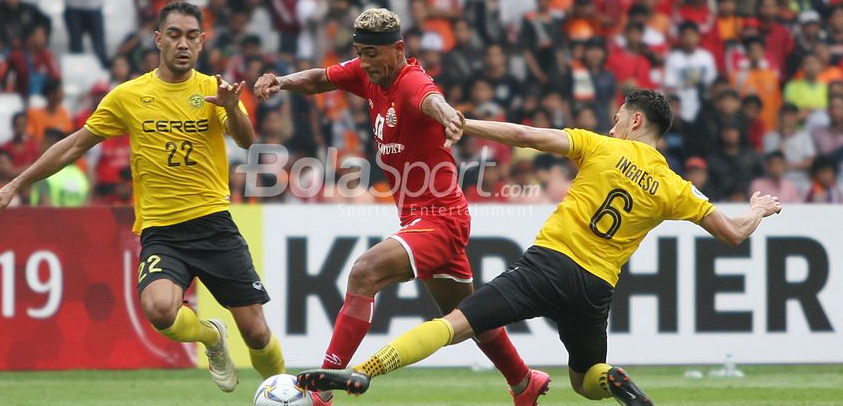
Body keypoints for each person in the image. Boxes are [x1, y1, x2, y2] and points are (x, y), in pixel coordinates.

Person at [296, 89, 783, 406]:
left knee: (453, 324)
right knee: (584, 379)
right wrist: (758, 209)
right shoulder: (678, 187)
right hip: (595, 288)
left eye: (617, 120)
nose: (612, 127)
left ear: (635, 121)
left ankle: (362, 372)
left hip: (546, 266)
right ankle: (613, 378)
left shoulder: (603, 147)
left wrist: (467, 125)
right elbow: (733, 233)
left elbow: (526, 136)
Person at [0, 1, 284, 393]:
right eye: (174, 35)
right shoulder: (128, 96)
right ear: (158, 39)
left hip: (213, 224)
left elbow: (245, 139)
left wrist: (234, 110)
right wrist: (14, 184)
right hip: (162, 231)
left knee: (257, 334)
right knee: (159, 310)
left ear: (203, 42)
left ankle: (289, 392)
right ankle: (211, 337)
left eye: (192, 36)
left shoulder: (214, 90)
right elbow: (74, 146)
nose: (183, 43)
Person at [253, 8, 540, 406]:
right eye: (359, 52)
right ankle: (524, 382)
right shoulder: (368, 73)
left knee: (364, 272)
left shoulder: (411, 83)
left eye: (372, 53)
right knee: (470, 317)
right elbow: (320, 78)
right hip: (418, 216)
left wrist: (451, 120)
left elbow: (433, 100)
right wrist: (280, 81)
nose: (364, 62)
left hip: (440, 218)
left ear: (399, 48)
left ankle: (320, 392)